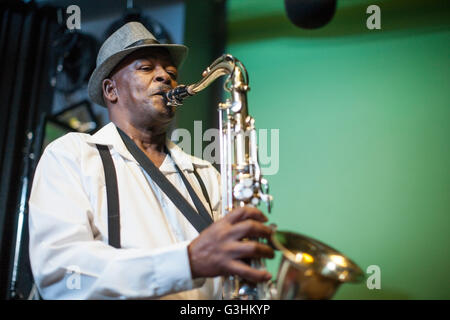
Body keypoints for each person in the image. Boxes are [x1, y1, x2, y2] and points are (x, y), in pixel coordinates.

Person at [28, 21, 274, 299]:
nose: (165, 77)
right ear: (111, 90)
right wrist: (187, 261)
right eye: (146, 68)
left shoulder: (206, 175)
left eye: (171, 72)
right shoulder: (72, 155)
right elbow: (62, 274)